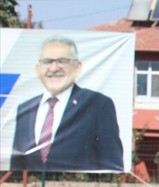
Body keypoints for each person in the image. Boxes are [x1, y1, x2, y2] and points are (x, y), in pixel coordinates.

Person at [10, 36, 123, 173]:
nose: (54, 68)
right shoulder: (25, 109)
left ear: (78, 67)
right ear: (37, 69)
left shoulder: (97, 105)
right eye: (47, 61)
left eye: (62, 61)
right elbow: (16, 165)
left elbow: (112, 163)